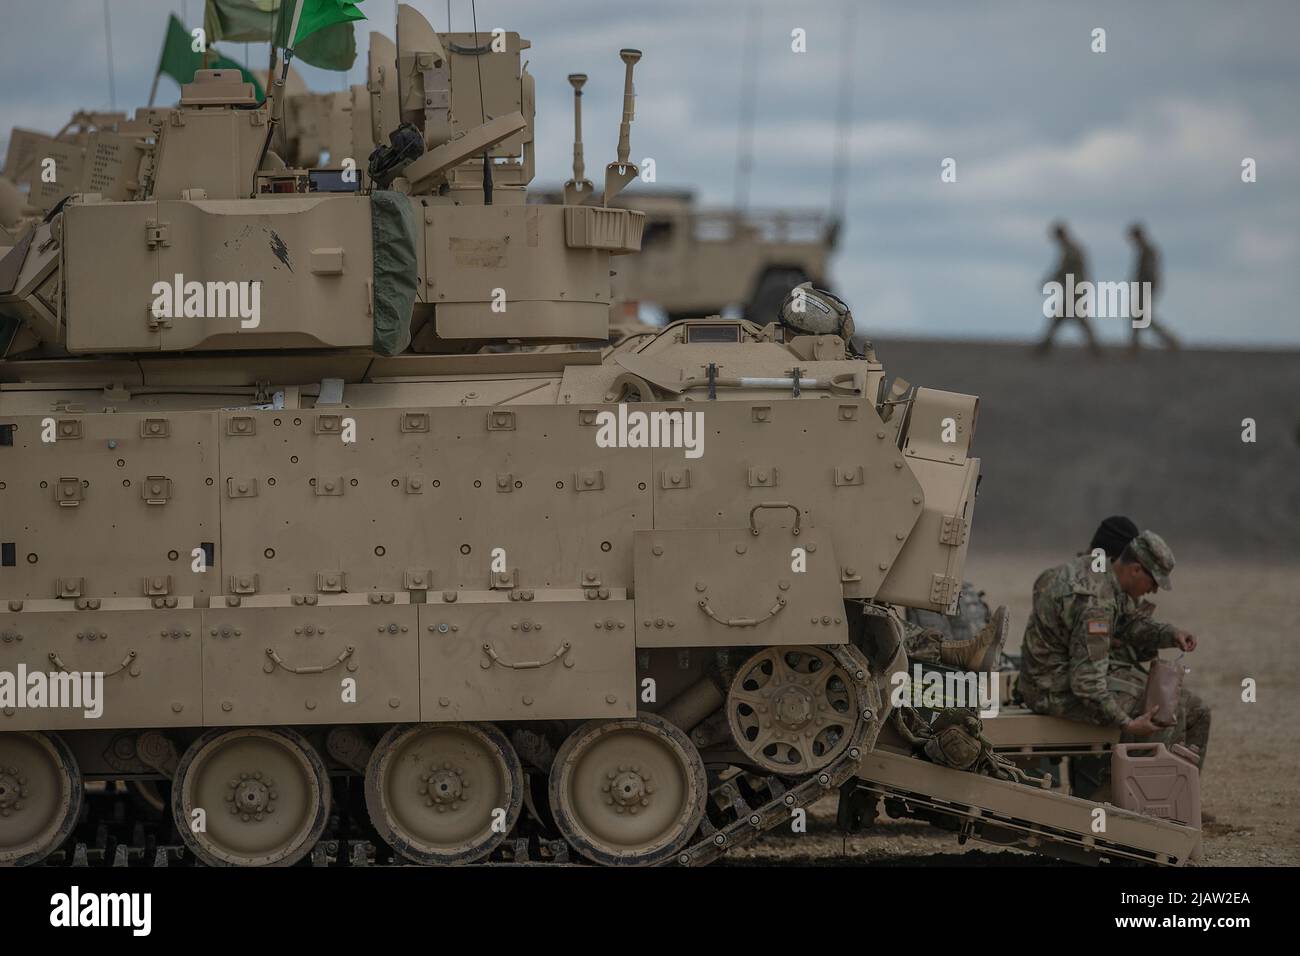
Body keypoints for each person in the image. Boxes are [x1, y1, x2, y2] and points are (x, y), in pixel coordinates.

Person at [1019, 530, 1210, 767]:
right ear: (1136, 569)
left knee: (1197, 710)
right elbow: (1087, 684)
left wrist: (1170, 634)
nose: (1153, 591)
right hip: (1050, 689)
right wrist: (1127, 724)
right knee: (1162, 712)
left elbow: (1128, 623)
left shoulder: (1102, 573)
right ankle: (1138, 799)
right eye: (1153, 582)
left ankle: (1179, 794)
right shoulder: (1096, 603)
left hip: (1063, 677)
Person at [1035, 221, 1100, 356]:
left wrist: (1049, 281)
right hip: (1075, 288)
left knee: (1068, 319)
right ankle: (1044, 347)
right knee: (1062, 319)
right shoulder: (1070, 248)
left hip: (1075, 289)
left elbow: (1063, 270)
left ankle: (1044, 348)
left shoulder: (1071, 249)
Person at [1127, 223, 1180, 352]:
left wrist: (1144, 286)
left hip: (1146, 287)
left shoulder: (1148, 250)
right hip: (1145, 286)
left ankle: (1170, 340)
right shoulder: (1145, 250)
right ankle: (1135, 346)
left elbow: (1149, 272)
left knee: (1141, 316)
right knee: (1138, 316)